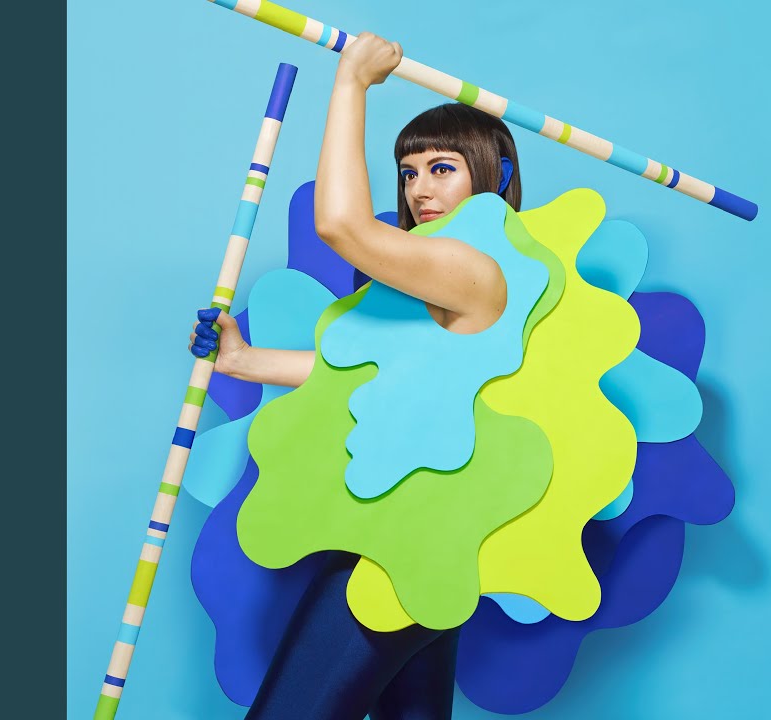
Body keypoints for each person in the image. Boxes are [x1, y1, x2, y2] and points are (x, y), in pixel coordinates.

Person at [188, 32, 523, 720]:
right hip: (427, 544)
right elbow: (375, 370)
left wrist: (352, 83)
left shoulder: (476, 269)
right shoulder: (449, 281)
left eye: (442, 168)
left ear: (498, 175)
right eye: (409, 172)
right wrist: (244, 361)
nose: (419, 190)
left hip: (400, 548)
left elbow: (342, 224)